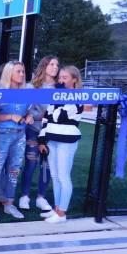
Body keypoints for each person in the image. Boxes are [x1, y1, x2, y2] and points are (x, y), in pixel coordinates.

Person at [0, 61, 32, 222]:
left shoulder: (26, 92)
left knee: (14, 170)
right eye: (18, 71)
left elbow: (27, 112)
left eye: (23, 71)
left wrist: (28, 117)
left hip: (20, 134)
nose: (22, 74)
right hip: (2, 134)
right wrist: (10, 117)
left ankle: (9, 203)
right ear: (9, 73)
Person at [38, 66, 84, 223]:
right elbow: (46, 118)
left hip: (67, 140)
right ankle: (57, 209)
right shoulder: (56, 96)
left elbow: (58, 116)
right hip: (52, 139)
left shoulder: (79, 96)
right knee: (55, 176)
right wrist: (42, 139)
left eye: (65, 77)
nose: (61, 80)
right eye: (60, 78)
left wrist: (55, 103)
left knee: (64, 176)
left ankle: (62, 213)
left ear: (74, 80)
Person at [19, 56, 59, 211]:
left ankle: (41, 197)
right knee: (31, 163)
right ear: (44, 66)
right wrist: (37, 116)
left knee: (47, 166)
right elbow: (26, 110)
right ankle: (25, 196)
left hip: (51, 132)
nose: (55, 67)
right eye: (52, 64)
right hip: (33, 131)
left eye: (57, 64)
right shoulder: (31, 86)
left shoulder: (60, 89)